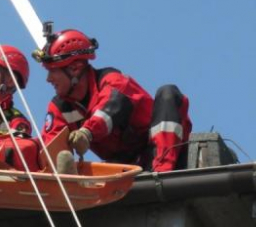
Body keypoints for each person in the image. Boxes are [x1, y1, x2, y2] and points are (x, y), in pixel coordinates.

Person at [33, 28, 191, 172]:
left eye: (52, 71)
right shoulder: (60, 107)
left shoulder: (114, 82)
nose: (48, 79)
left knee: (168, 93)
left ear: (75, 68)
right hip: (124, 167)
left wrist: (87, 133)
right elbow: (50, 145)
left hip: (159, 155)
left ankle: (162, 172)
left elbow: (109, 109)